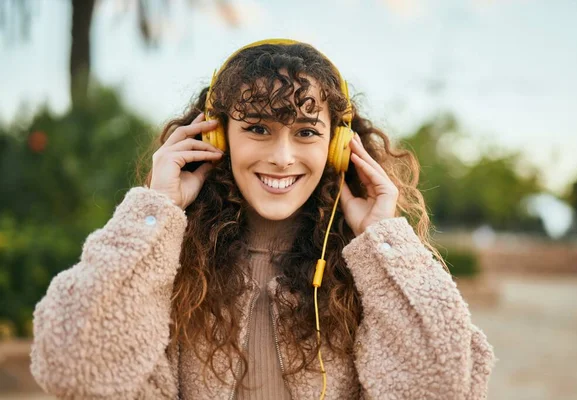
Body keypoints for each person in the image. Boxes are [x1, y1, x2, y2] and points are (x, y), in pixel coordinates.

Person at [30, 39, 496, 399]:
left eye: (306, 132)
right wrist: (154, 213)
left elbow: (443, 386)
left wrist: (386, 243)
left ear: (337, 146)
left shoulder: (366, 269)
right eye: (257, 128)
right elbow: (71, 367)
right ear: (218, 137)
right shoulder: (167, 259)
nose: (282, 156)